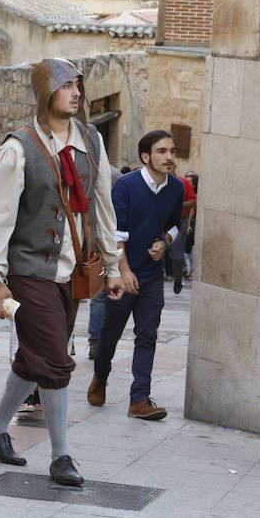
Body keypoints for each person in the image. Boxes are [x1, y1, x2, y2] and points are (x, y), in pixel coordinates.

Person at [0, 58, 123, 486]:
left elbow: (102, 206)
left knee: (32, 358)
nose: (75, 93)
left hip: (73, 274)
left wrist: (111, 264)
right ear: (45, 93)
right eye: (65, 86)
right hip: (28, 272)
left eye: (78, 85)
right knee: (56, 361)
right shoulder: (18, 148)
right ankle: (61, 457)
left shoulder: (91, 141)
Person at [88, 131, 183, 421]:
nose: (169, 157)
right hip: (123, 273)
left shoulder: (176, 188)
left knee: (147, 334)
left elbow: (177, 224)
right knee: (111, 333)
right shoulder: (126, 186)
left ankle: (139, 399)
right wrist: (124, 271)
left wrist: (164, 241)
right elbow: (117, 233)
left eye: (172, 151)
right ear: (146, 156)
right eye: (162, 151)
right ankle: (100, 377)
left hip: (153, 275)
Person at [87, 164, 124, 360]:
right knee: (100, 294)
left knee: (97, 294)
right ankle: (97, 341)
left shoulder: (109, 174)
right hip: (103, 238)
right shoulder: (114, 174)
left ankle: (94, 340)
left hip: (85, 237)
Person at [167, 171, 197, 294]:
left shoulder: (183, 183)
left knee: (177, 253)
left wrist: (177, 205)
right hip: (160, 219)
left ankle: (178, 278)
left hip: (179, 221)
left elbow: (193, 202)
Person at [183, 171, 199, 278]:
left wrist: (188, 225)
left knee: (188, 249)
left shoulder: (194, 196)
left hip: (192, 223)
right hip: (189, 222)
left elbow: (192, 211)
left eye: (189, 181)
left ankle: (191, 270)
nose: (186, 183)